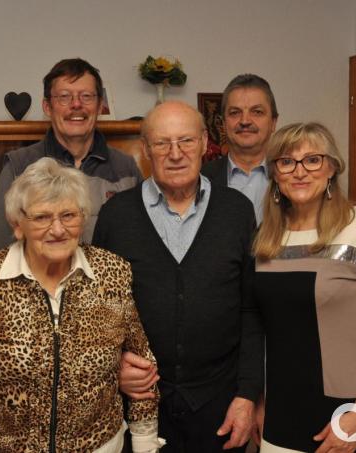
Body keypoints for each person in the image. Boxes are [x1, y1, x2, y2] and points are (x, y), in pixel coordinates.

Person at [0, 158, 163, 453]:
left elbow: (142, 365)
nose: (58, 229)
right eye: (42, 217)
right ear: (18, 225)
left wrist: (145, 443)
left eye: (68, 215)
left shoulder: (111, 272)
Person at [93, 101, 263, 452]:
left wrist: (247, 395)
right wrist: (114, 367)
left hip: (221, 405)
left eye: (186, 140)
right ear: (145, 149)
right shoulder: (116, 216)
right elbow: (97, 314)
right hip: (138, 406)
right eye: (162, 143)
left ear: (204, 143)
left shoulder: (236, 211)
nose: (175, 154)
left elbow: (252, 310)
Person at [252, 122, 356, 452]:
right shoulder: (263, 238)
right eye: (286, 162)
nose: (299, 171)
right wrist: (257, 401)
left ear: (332, 167)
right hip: (279, 417)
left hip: (346, 416)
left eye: (313, 160)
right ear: (275, 173)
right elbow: (256, 328)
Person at [0, 58, 142, 253]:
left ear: (100, 105)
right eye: (64, 97)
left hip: (109, 274)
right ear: (47, 107)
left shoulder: (126, 169)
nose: (76, 104)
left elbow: (139, 244)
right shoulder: (18, 167)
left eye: (86, 96)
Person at [202, 74, 279, 222]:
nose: (245, 121)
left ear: (273, 122)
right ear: (223, 124)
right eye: (235, 113)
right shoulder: (201, 179)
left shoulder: (292, 176)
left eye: (257, 112)